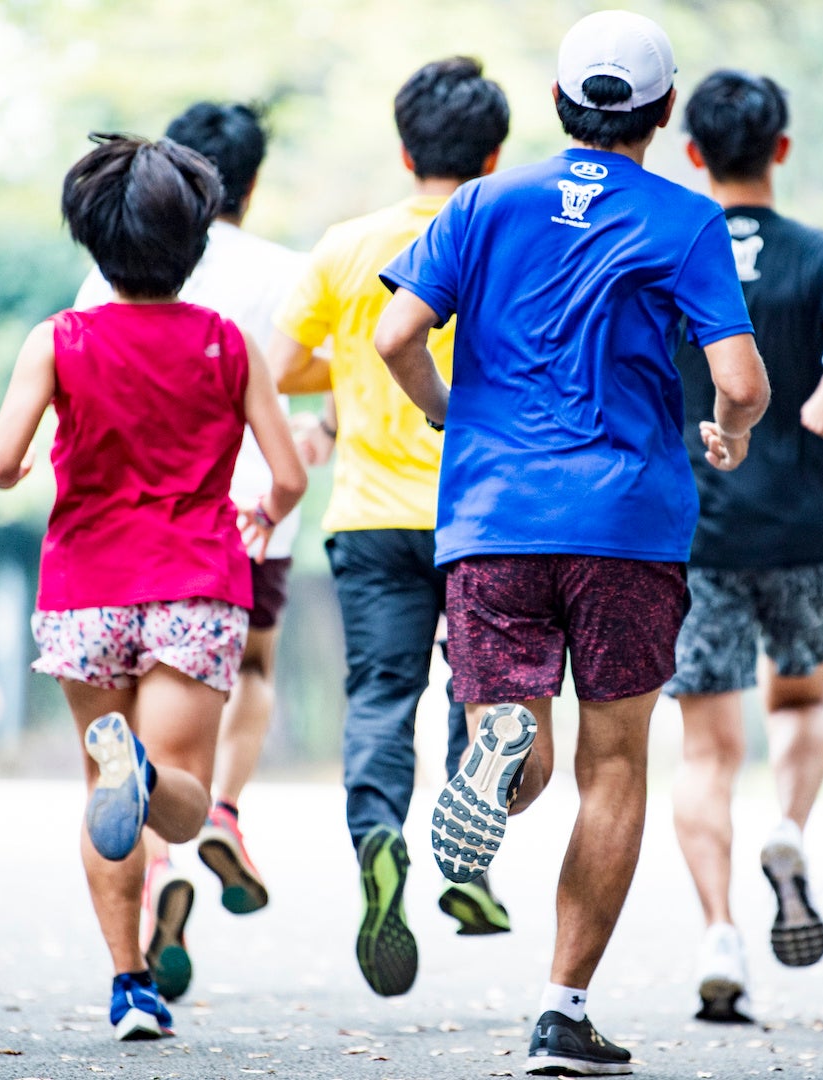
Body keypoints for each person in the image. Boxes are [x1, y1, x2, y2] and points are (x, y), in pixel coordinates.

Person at [375, 12, 769, 1074]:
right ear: (663, 112)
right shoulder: (686, 221)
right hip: (628, 527)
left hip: (494, 517)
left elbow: (392, 334)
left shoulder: (479, 204)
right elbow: (740, 381)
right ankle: (562, 1007)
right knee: (613, 765)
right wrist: (727, 438)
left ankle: (500, 747)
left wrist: (445, 412)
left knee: (519, 736)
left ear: (557, 105)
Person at [0, 134, 305, 1041]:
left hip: (85, 580)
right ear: (195, 240)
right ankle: (148, 770)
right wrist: (263, 515)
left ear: (92, 239)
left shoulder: (59, 339)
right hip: (197, 578)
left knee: (102, 789)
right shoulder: (229, 345)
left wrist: (32, 459)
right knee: (180, 792)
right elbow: (285, 476)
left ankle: (128, 984)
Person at [266, 57, 512, 998]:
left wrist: (350, 384)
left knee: (379, 691)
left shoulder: (345, 246)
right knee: (477, 688)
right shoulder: (498, 234)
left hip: (368, 519)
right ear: (492, 154)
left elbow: (283, 366)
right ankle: (469, 860)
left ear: (405, 149)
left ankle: (378, 838)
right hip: (479, 518)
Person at [74, 100, 307, 1002]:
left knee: (121, 735)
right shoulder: (278, 281)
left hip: (103, 551)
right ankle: (223, 811)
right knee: (242, 681)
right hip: (229, 533)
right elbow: (308, 404)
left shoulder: (86, 302)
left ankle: (141, 932)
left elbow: (17, 449)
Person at [663, 69, 823, 1022]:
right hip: (810, 524)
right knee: (799, 698)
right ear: (780, 149)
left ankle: (719, 934)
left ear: (691, 152)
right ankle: (787, 828)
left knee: (706, 752)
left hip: (694, 529)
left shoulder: (670, 250)